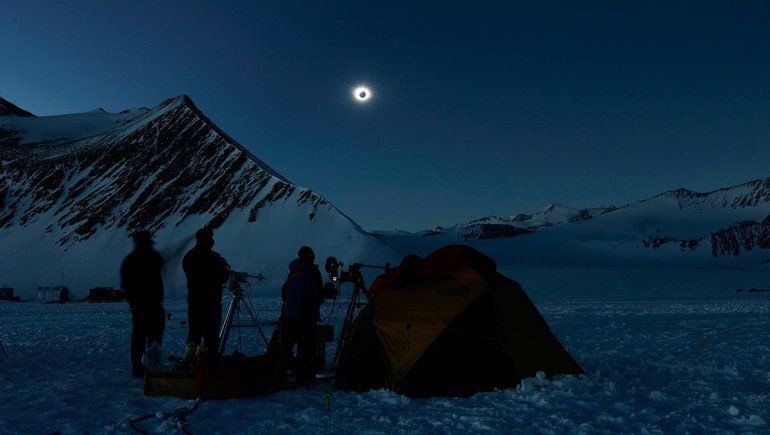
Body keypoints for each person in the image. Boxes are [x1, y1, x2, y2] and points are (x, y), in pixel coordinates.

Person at [120, 230, 165, 377]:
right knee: (152, 338)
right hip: (149, 305)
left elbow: (125, 285)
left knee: (141, 338)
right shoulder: (153, 257)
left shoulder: (130, 260)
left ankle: (140, 367)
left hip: (141, 307)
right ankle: (150, 366)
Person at [182, 227, 230, 359]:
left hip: (194, 303)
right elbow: (223, 276)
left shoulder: (189, 257)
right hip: (212, 304)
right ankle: (209, 362)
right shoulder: (214, 258)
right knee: (211, 337)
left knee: (194, 335)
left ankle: (190, 362)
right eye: (210, 238)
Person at [280, 246, 323, 384]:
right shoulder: (312, 271)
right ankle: (305, 375)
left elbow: (284, 291)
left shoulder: (293, 271)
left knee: (288, 345)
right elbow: (317, 293)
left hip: (289, 313)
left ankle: (286, 373)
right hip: (305, 314)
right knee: (307, 345)